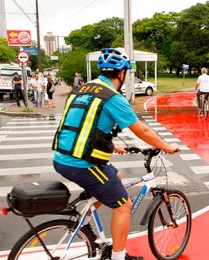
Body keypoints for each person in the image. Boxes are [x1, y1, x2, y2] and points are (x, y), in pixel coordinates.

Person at [52, 48, 179, 260]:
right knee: (123, 206)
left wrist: (112, 147)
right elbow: (143, 130)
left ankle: (84, 220)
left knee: (116, 176)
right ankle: (118, 257)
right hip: (81, 164)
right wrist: (166, 146)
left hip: (61, 158)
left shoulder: (82, 90)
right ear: (122, 73)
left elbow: (85, 127)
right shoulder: (112, 97)